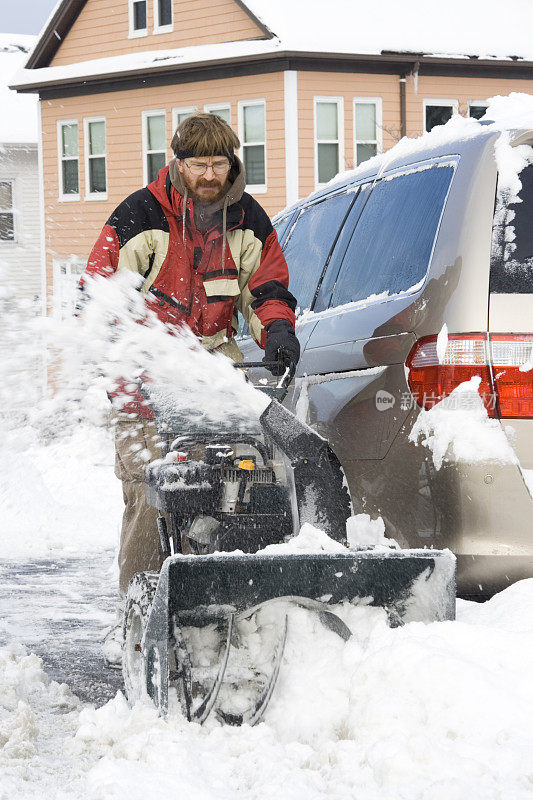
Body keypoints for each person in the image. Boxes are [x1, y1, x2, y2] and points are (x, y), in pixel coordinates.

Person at [80, 112, 299, 663]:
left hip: (211, 383)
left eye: (217, 163)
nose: (208, 173)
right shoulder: (140, 215)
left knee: (229, 490)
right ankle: (139, 615)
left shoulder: (247, 220)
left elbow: (267, 284)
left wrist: (276, 329)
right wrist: (121, 348)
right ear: (178, 162)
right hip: (142, 387)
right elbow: (99, 292)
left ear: (232, 164)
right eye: (197, 162)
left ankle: (216, 610)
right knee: (149, 497)